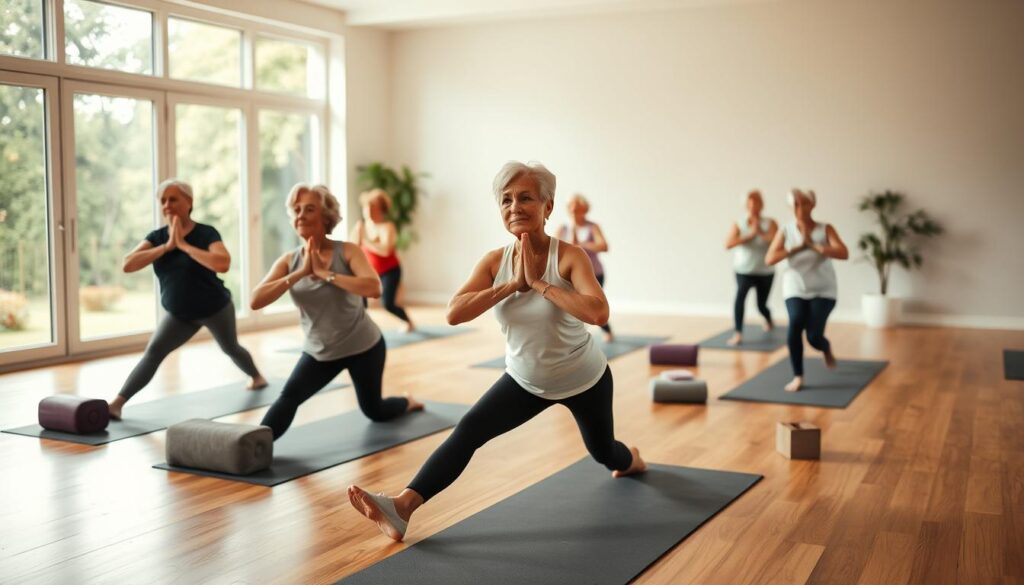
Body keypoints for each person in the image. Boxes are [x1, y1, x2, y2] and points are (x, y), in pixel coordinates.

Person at [347, 161, 646, 542]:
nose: (514, 207)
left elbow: (598, 311)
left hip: (584, 378)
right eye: (506, 200)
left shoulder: (570, 256)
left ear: (547, 207)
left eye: (525, 198)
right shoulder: (494, 262)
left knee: (604, 453)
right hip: (525, 379)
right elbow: (454, 312)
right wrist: (509, 286)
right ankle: (402, 507)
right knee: (470, 430)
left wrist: (538, 283)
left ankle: (632, 460)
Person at [250, 184, 422, 439]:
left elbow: (373, 288)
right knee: (289, 397)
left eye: (309, 209)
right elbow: (255, 300)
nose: (301, 215)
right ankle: (252, 447)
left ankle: (407, 401)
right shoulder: (290, 261)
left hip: (363, 347)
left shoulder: (347, 251)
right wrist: (301, 273)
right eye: (296, 210)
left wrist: (325, 274)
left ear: (326, 216)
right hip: (320, 351)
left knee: (374, 410)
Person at [109, 179, 266, 420]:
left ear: (189, 202)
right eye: (163, 201)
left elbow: (222, 263)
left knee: (230, 348)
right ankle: (117, 404)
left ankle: (257, 377)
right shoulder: (157, 237)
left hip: (215, 307)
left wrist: (183, 245)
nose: (167, 205)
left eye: (173, 199)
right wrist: (167, 247)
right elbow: (128, 264)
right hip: (180, 314)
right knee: (153, 353)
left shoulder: (206, 233)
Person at [765, 189, 849, 392]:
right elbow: (769, 259)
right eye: (795, 205)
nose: (799, 209)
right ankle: (798, 376)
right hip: (795, 287)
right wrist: (796, 248)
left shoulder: (825, 229)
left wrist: (814, 246)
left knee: (813, 337)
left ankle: (825, 347)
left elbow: (843, 252)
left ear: (813, 205)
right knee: (795, 323)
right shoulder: (786, 230)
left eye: (803, 204)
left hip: (824, 289)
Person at [350, 189, 416, 332]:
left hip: (390, 270)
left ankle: (408, 322)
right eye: (366, 207)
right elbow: (353, 247)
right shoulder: (362, 226)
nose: (368, 211)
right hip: (370, 271)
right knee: (360, 300)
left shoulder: (388, 227)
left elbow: (386, 250)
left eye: (372, 207)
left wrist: (365, 240)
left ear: (380, 209)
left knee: (388, 304)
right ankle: (363, 328)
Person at [724, 190, 778, 345]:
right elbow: (728, 244)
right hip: (743, 270)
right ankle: (738, 333)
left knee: (761, 305)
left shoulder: (770, 223)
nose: (753, 206)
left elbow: (776, 242)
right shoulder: (739, 223)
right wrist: (749, 235)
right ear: (746, 205)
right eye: (750, 203)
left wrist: (759, 232)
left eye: (756, 202)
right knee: (740, 298)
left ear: (762, 204)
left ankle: (768, 319)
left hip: (765, 271)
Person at [557, 194, 613, 342]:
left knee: (594, 306)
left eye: (576, 208)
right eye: (571, 207)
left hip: (595, 273)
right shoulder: (563, 228)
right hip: (572, 275)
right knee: (573, 306)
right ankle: (577, 336)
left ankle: (607, 331)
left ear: (584, 209)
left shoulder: (592, 227)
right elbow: (554, 247)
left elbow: (604, 246)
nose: (573, 211)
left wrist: (581, 245)